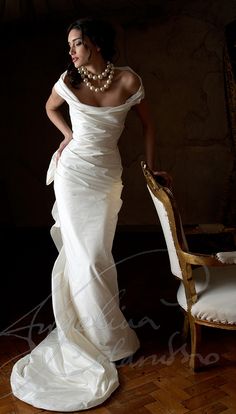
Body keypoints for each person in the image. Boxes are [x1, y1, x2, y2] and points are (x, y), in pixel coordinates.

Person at [10, 17, 170, 412]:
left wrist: (150, 167)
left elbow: (149, 126)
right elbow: (50, 108)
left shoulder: (129, 81)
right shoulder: (69, 81)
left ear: (95, 44)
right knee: (84, 256)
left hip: (105, 177)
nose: (72, 51)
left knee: (97, 253)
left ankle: (106, 334)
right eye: (70, 45)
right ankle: (108, 341)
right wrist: (67, 137)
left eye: (77, 43)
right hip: (72, 174)